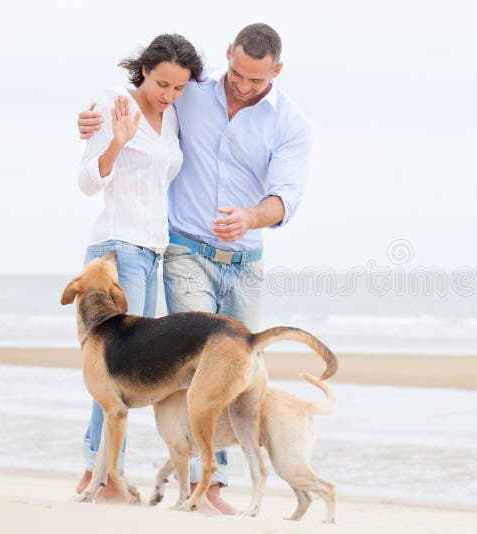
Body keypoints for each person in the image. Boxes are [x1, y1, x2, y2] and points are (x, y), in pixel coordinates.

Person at [78, 23, 312, 514]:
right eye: (238, 73)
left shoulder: (289, 123)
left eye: (257, 80)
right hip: (178, 252)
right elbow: (139, 96)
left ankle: (210, 486)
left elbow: (287, 198)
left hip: (239, 260)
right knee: (167, 373)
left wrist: (250, 216)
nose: (244, 86)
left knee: (233, 374)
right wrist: (91, 122)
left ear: (278, 71)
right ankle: (170, 482)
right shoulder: (190, 96)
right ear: (228, 55)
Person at [75, 34, 204, 504]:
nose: (167, 95)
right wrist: (117, 143)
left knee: (126, 371)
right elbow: (88, 181)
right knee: (113, 373)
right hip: (116, 251)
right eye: (160, 83)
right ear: (143, 70)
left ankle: (101, 475)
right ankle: (101, 477)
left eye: (178, 88)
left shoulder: (171, 117)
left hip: (152, 252)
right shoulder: (111, 106)